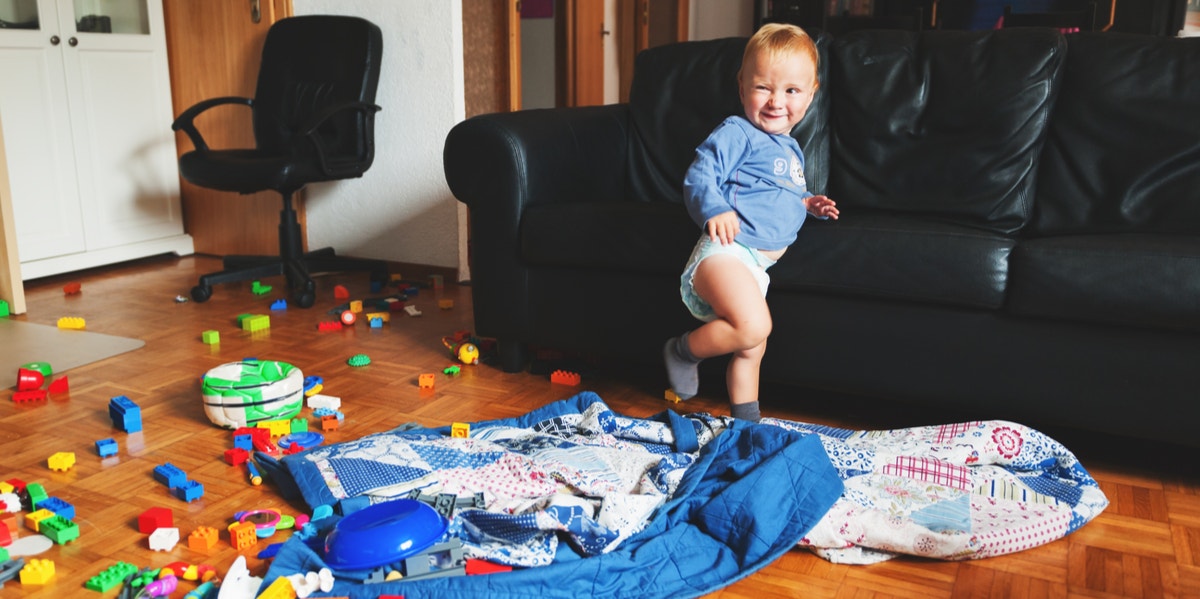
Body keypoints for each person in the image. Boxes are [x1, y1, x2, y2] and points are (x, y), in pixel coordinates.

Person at [663, 23, 839, 422]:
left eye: (792, 91)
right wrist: (714, 209)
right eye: (763, 87)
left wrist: (807, 202)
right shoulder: (737, 131)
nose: (777, 101)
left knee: (751, 347)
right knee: (755, 326)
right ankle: (681, 351)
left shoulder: (791, 148)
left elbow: (777, 192)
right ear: (742, 86)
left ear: (811, 95)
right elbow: (700, 175)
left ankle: (747, 424)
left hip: (757, 267)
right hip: (724, 254)